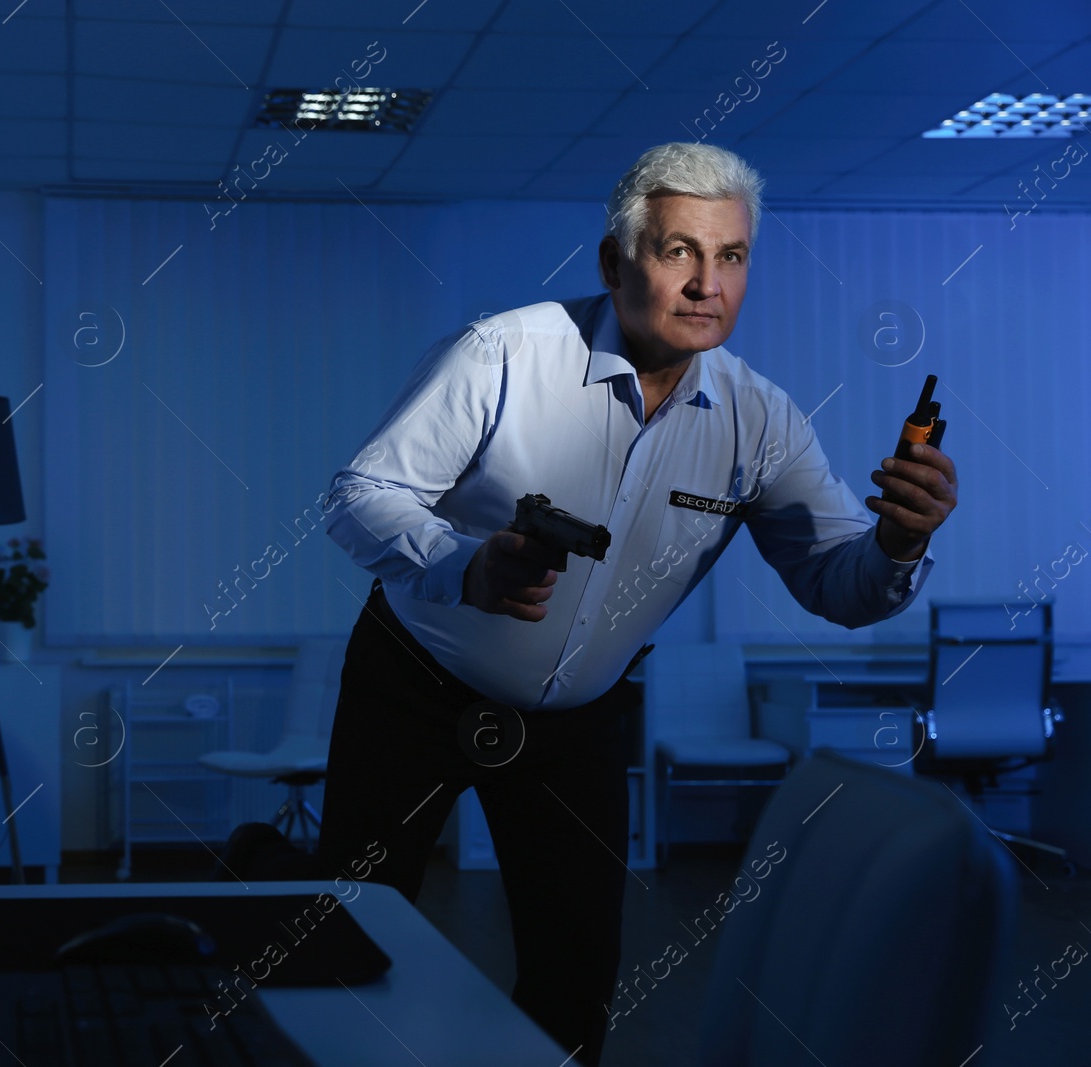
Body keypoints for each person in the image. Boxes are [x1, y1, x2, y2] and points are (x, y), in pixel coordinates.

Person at [313, 142, 957, 1066]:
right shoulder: (503, 353)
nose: (707, 284)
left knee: (575, 981)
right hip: (412, 689)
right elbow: (358, 496)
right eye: (678, 251)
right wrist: (462, 566)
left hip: (576, 730)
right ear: (616, 262)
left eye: (730, 256)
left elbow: (836, 585)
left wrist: (900, 542)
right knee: (346, 938)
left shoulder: (760, 421)